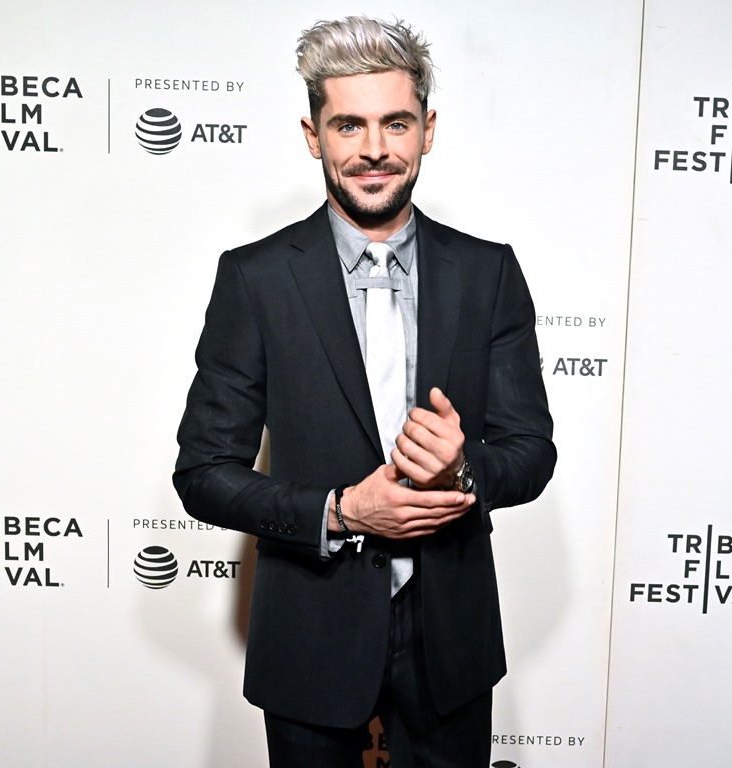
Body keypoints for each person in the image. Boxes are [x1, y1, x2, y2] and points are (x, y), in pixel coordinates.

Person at [173, 15, 556, 768]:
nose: (374, 148)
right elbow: (203, 473)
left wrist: (464, 469)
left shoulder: (488, 273)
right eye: (349, 125)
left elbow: (531, 454)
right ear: (313, 135)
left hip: (450, 637)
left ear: (427, 130)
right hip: (309, 633)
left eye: (396, 123)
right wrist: (341, 511)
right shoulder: (255, 278)